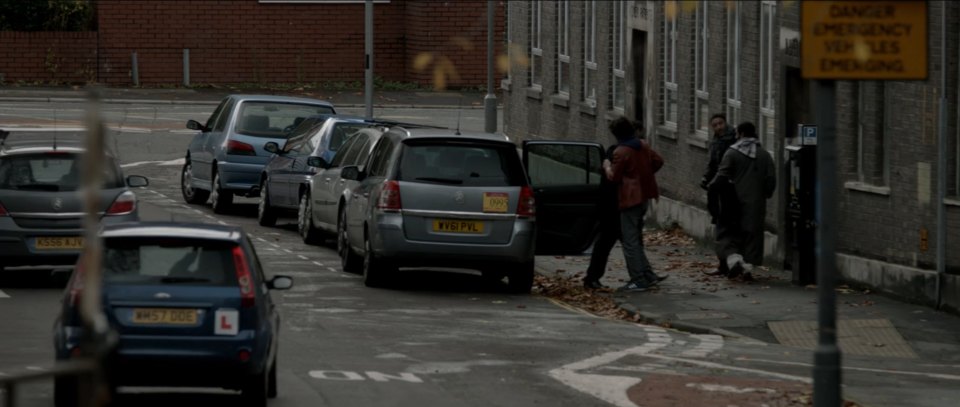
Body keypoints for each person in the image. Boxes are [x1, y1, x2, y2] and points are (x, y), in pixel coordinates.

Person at [602, 117, 664, 292]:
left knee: (630, 242)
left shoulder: (621, 151)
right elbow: (658, 161)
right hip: (645, 195)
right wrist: (644, 173)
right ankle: (647, 274)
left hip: (629, 198)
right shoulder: (642, 145)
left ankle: (638, 279)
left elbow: (614, 177)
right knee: (636, 238)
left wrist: (607, 166)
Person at [707, 122, 776, 280]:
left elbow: (721, 176)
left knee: (727, 233)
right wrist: (765, 194)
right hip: (756, 203)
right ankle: (748, 269)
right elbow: (771, 180)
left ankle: (734, 260)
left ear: (741, 134)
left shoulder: (732, 153)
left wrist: (711, 188)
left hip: (732, 202)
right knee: (752, 235)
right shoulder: (765, 155)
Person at [583, 122, 645, 289]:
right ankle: (643, 275)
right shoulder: (638, 150)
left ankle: (593, 277)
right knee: (631, 242)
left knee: (611, 243)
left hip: (613, 204)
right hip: (625, 203)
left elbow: (612, 178)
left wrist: (606, 166)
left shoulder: (616, 152)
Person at [701, 113, 738, 276]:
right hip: (717, 187)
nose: (718, 127)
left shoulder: (733, 141)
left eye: (720, 123)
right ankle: (724, 263)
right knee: (720, 224)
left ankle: (729, 263)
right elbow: (712, 163)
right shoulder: (715, 142)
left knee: (725, 226)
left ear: (726, 123)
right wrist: (706, 177)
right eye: (715, 125)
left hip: (728, 188)